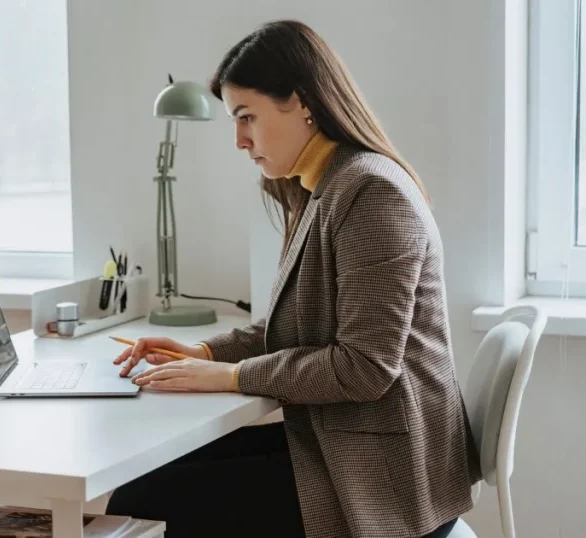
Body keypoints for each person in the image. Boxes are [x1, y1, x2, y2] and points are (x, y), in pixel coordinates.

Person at [106, 19, 482, 538]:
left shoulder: (371, 192)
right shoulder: (322, 186)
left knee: (142, 501)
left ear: (302, 102)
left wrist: (232, 377)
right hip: (343, 444)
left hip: (387, 476)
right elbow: (294, 328)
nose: (239, 141)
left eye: (247, 117)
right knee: (146, 481)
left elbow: (365, 367)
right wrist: (205, 353)